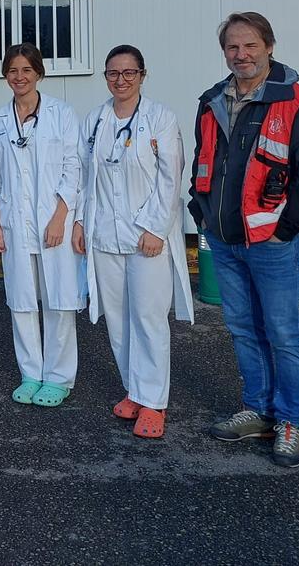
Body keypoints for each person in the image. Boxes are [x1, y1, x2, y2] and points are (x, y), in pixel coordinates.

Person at [190, 12, 299, 469]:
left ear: (269, 45)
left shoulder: (297, 103)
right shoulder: (212, 100)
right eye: (232, 47)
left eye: (249, 45)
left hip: (273, 242)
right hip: (226, 240)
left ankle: (292, 420)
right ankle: (259, 409)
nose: (241, 54)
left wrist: (287, 228)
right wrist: (202, 213)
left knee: (284, 333)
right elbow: (203, 163)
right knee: (243, 329)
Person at [73, 45, 194, 439]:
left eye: (129, 73)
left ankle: (155, 402)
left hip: (147, 239)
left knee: (148, 318)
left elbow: (170, 177)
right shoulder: (95, 121)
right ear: (105, 77)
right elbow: (83, 176)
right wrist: (79, 222)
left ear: (143, 75)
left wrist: (156, 228)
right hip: (106, 234)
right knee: (119, 321)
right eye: (113, 73)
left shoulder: (160, 118)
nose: (121, 80)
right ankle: (135, 390)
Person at [0, 43, 82, 408]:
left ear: (39, 73)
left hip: (52, 220)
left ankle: (58, 378)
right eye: (13, 70)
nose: (19, 77)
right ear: (6, 76)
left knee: (59, 299)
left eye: (26, 70)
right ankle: (31, 372)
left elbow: (73, 167)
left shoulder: (61, 113)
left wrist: (61, 216)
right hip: (13, 222)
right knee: (21, 300)